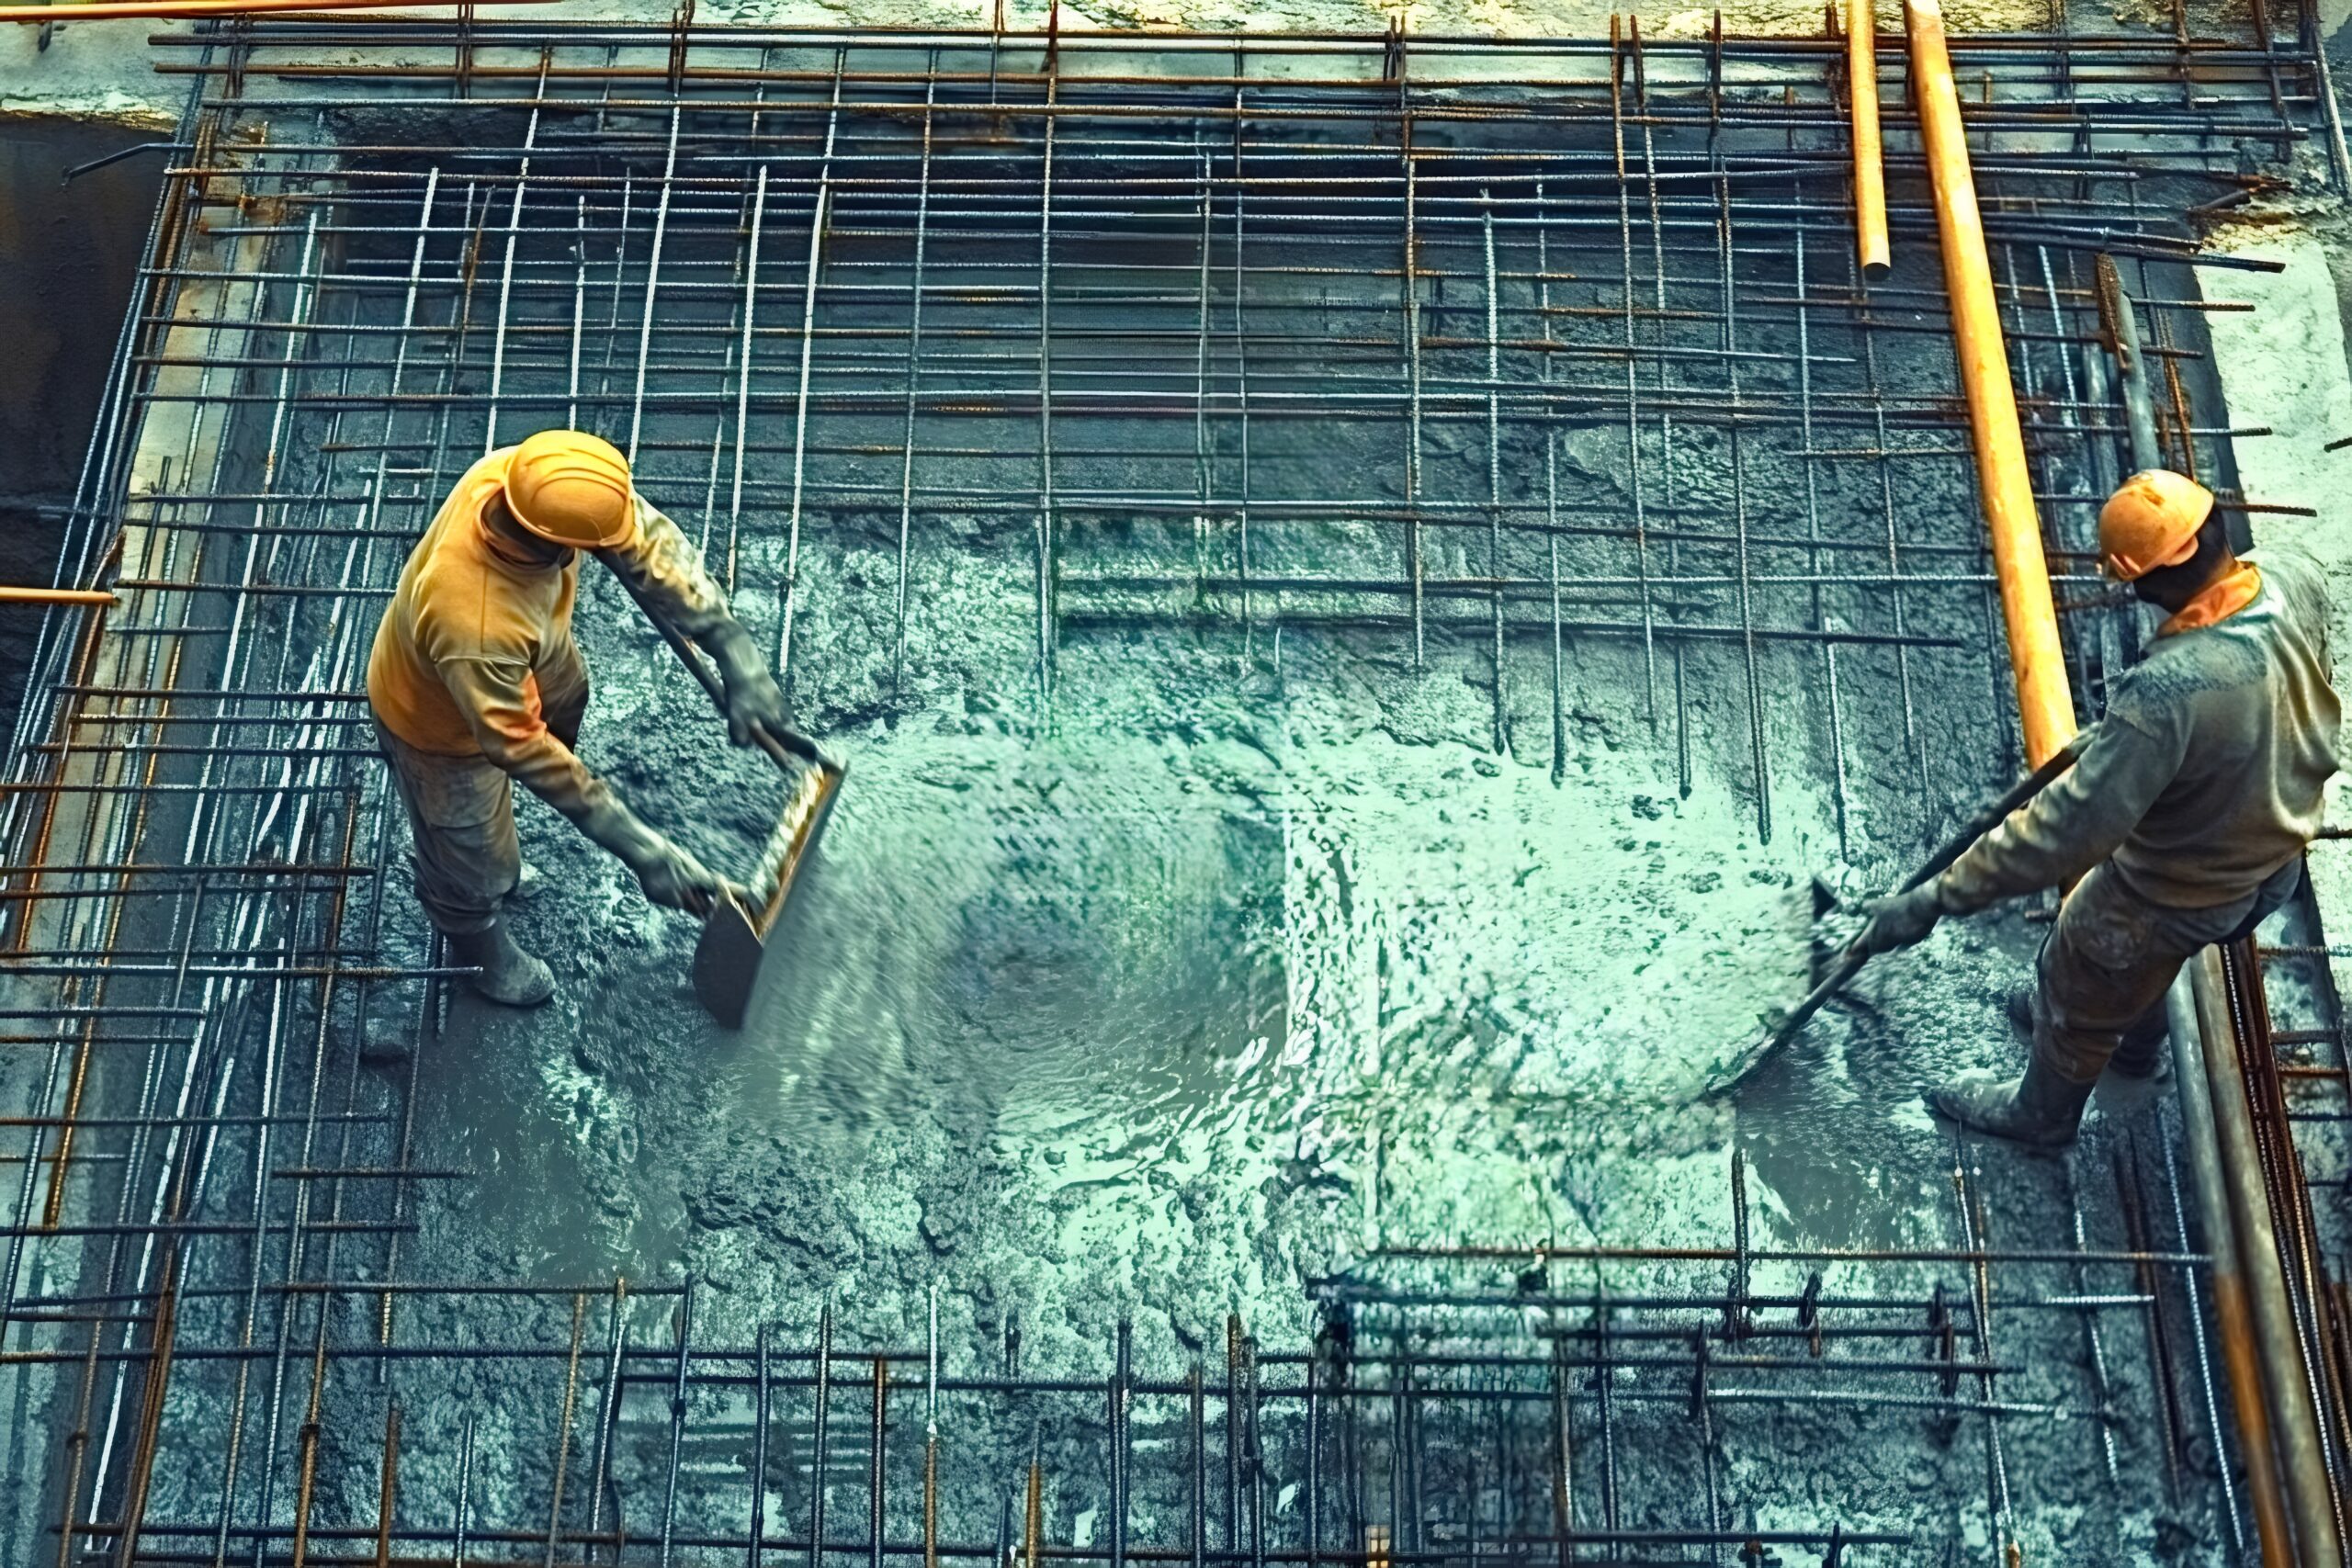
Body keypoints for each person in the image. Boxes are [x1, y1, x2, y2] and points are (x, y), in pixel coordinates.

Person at [1852, 468, 2342, 1146]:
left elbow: (2063, 831)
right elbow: (2264, 688)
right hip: (2272, 866)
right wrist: (2147, 742)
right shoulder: (2287, 578)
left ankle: (2043, 1112)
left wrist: (1931, 899)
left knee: (2081, 964)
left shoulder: (2169, 690)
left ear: (2148, 579)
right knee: (2148, 961)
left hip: (2176, 889)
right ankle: (2133, 1050)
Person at [367, 429, 792, 1006]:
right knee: (471, 855)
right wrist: (646, 851)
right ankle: (482, 948)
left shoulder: (526, 478)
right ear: (551, 541)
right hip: (441, 729)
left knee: (567, 700)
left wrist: (731, 646)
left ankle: (503, 855)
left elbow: (646, 543)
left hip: (531, 648)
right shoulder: (475, 618)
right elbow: (517, 745)